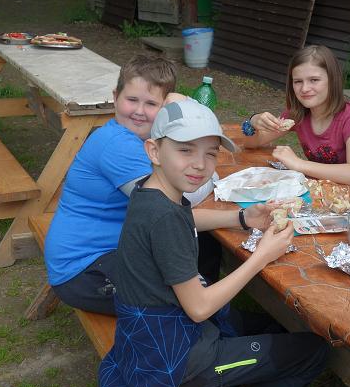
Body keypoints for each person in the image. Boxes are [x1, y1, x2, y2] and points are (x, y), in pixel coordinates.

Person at [99, 99, 330, 387]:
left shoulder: (150, 192)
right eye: (185, 150)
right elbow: (199, 308)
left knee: (274, 326)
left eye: (210, 153)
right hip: (175, 361)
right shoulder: (164, 219)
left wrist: (242, 219)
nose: (200, 164)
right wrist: (260, 256)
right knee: (313, 351)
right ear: (154, 151)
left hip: (147, 342)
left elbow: (186, 218)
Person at [44, 54, 273, 315]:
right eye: (132, 100)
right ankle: (217, 323)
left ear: (163, 108)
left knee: (203, 246)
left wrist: (241, 217)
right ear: (115, 96)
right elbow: (178, 203)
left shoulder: (141, 138)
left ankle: (214, 305)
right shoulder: (117, 144)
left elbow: (172, 216)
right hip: (84, 269)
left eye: (151, 103)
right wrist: (212, 176)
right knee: (192, 305)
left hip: (113, 250)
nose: (140, 111)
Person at [242, 44, 350, 200]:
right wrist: (253, 122)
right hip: (324, 194)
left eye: (314, 80)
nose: (304, 88)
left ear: (333, 80)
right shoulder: (297, 114)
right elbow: (251, 143)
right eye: (298, 81)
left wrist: (298, 164)